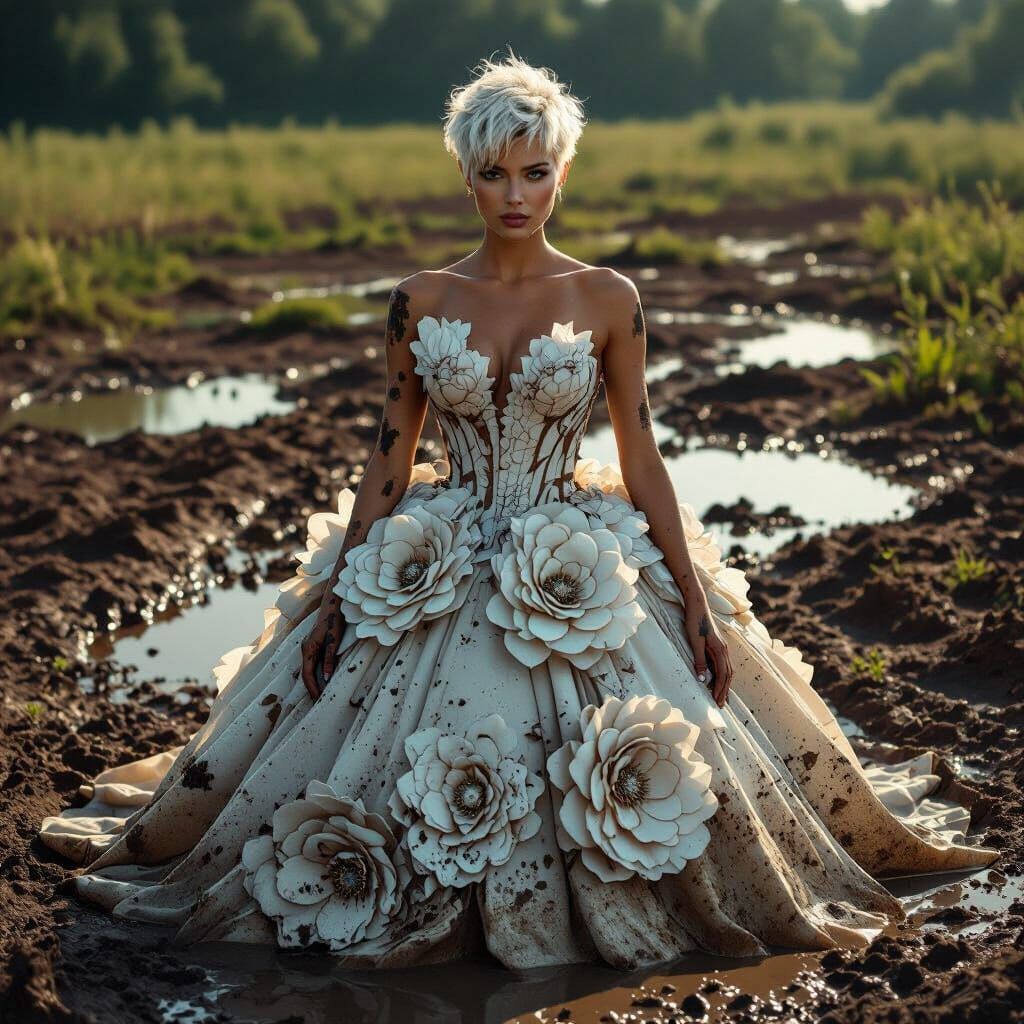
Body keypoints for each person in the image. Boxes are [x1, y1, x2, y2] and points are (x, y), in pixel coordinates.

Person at [40, 49, 998, 971]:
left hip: (574, 545)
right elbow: (389, 458)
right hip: (438, 548)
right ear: (466, 176)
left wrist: (697, 605)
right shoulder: (419, 299)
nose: (513, 194)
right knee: (334, 737)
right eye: (492, 172)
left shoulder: (609, 297)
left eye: (533, 172)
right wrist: (337, 591)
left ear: (561, 174)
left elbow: (641, 455)